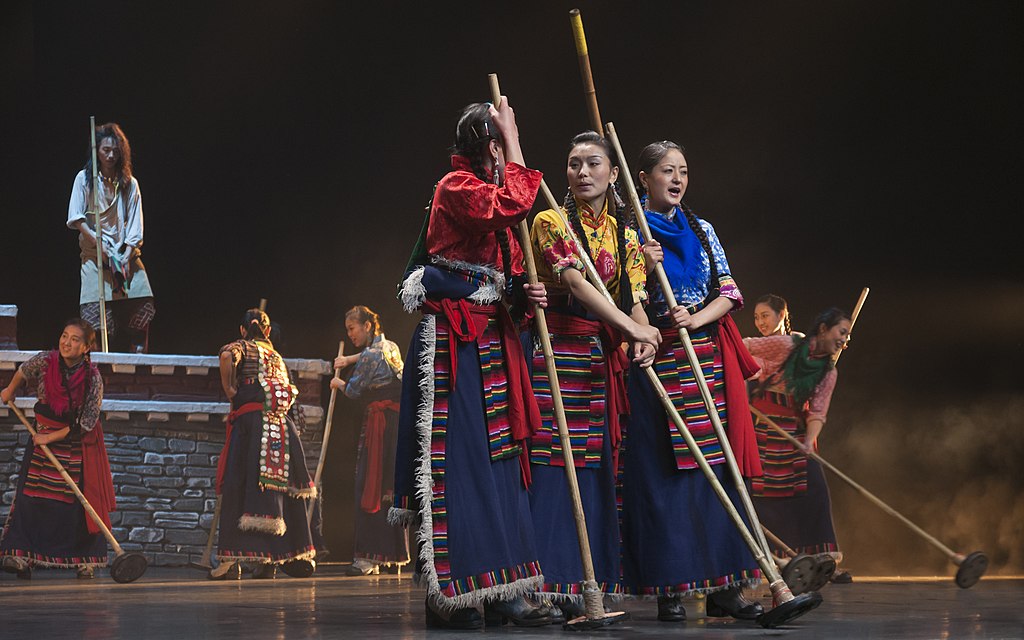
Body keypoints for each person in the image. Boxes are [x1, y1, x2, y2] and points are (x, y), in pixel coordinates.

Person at [389, 98, 555, 629]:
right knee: (456, 466)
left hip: (493, 342)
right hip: (453, 343)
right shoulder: (456, 187)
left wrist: (523, 295)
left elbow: (505, 273)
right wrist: (515, 142)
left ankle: (502, 588)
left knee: (500, 460)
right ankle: (450, 595)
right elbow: (512, 204)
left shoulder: (492, 193)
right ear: (489, 146)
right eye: (501, 142)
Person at [620, 140, 764, 622]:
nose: (677, 179)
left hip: (705, 357)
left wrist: (695, 317)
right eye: (667, 171)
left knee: (717, 470)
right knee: (666, 475)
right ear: (644, 178)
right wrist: (642, 266)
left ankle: (727, 586)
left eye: (683, 170)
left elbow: (730, 291)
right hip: (656, 359)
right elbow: (622, 295)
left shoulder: (703, 229)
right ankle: (671, 588)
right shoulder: (628, 231)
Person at [526, 131, 660, 617]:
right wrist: (629, 327)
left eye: (593, 163)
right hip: (553, 353)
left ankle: (587, 584)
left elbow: (636, 298)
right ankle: (542, 586)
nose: (582, 172)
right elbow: (575, 282)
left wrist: (643, 336)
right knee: (550, 465)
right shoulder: (550, 219)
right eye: (573, 164)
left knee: (591, 467)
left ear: (613, 173)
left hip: (596, 362)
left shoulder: (626, 234)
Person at [0, 319, 115, 580]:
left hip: (74, 443)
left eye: (75, 339)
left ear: (86, 347)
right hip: (41, 437)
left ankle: (84, 561)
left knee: (77, 504)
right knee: (30, 499)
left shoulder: (93, 379)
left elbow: (86, 422)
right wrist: (10, 390)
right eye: (64, 336)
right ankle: (22, 557)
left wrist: (50, 438)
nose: (66, 343)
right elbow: (23, 371)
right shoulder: (45, 361)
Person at [744, 307, 852, 582]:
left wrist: (807, 441)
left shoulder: (828, 372)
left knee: (814, 490)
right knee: (758, 495)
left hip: (794, 428)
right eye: (841, 332)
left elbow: (817, 412)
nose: (844, 339)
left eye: (847, 335)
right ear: (824, 329)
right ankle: (768, 560)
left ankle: (820, 561)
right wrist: (750, 373)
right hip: (761, 424)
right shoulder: (787, 344)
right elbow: (743, 348)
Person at [211, 309, 317, 580]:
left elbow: (226, 356)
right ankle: (271, 559)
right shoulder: (277, 357)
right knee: (278, 491)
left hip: (252, 426)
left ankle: (231, 560)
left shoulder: (242, 345)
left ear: (243, 329)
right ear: (268, 331)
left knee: (240, 484)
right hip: (281, 427)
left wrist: (230, 390)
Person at [328, 306, 409, 576]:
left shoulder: (370, 356)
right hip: (396, 426)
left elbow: (353, 390)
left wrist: (337, 383)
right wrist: (348, 360)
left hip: (379, 426)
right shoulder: (391, 347)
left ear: (367, 326)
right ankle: (392, 556)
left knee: (370, 484)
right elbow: (370, 354)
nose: (350, 334)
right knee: (389, 486)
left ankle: (367, 558)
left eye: (352, 328)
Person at [67, 122, 155, 353]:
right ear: (96, 151)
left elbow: (135, 225)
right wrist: (97, 242)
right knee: (96, 324)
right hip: (94, 256)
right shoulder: (84, 179)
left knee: (141, 306)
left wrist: (126, 254)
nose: (110, 155)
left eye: (115, 151)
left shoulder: (129, 184)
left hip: (124, 256)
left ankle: (138, 359)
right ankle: (99, 365)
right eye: (106, 150)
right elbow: (76, 218)